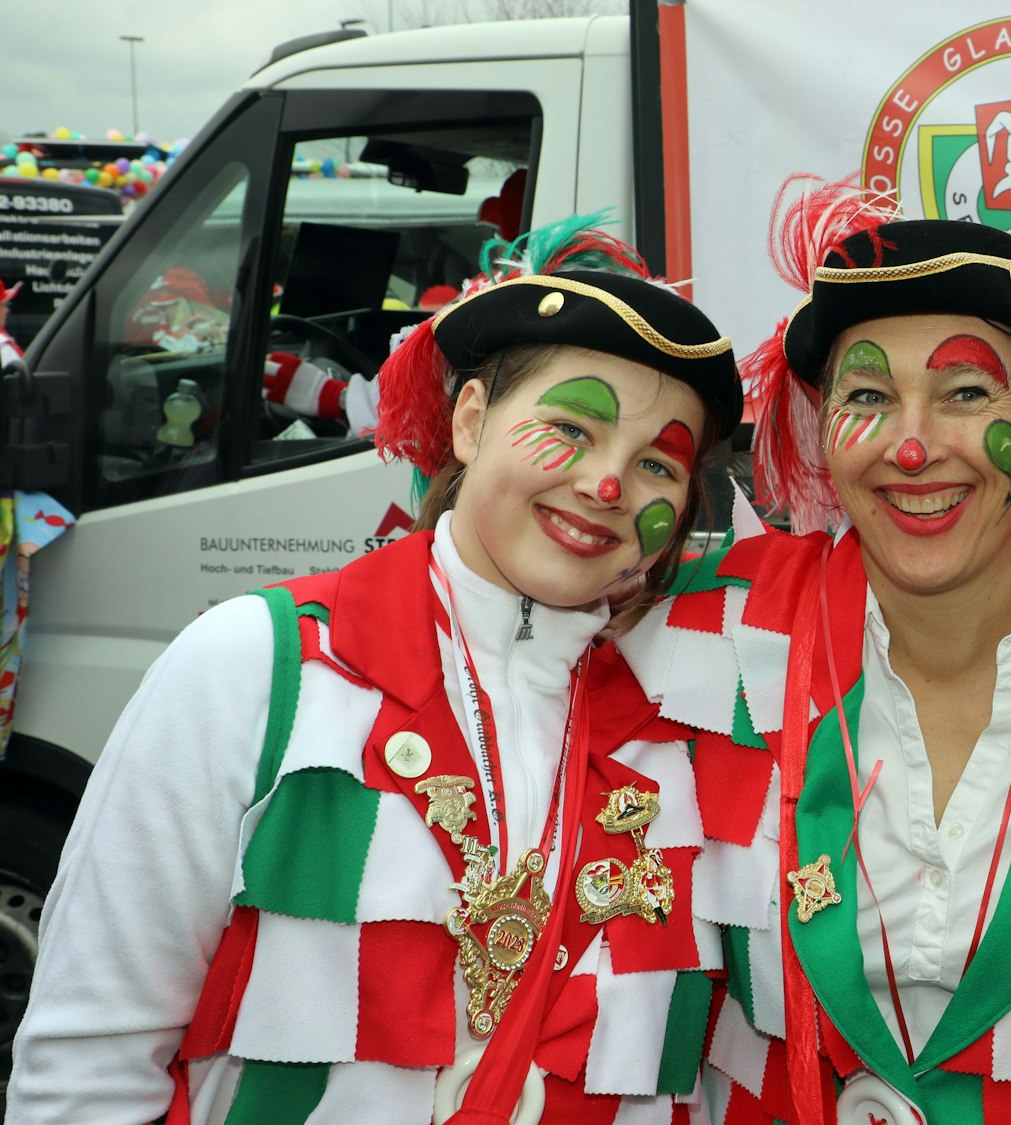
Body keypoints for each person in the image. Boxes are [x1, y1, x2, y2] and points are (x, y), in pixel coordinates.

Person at [7, 219, 741, 1125]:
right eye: (569, 428)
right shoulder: (254, 666)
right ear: (470, 421)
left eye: (657, 462)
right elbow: (87, 1070)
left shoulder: (688, 726)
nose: (606, 485)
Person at [618, 189, 1011, 1125]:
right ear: (822, 427)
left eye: (965, 393)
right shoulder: (698, 631)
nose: (913, 447)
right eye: (869, 396)